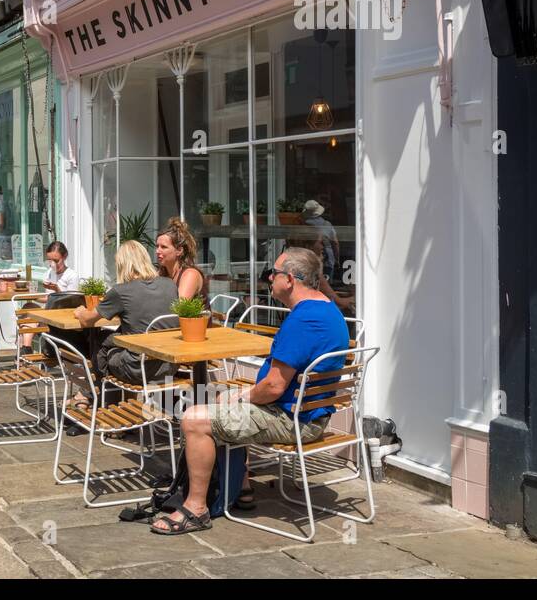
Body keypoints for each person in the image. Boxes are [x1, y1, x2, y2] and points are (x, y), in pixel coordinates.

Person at [151, 248, 347, 535]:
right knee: (216, 398)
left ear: (290, 279)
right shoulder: (327, 309)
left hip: (291, 421)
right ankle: (240, 487)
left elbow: (273, 387)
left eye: (274, 273)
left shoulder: (304, 321)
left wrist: (243, 396)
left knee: (194, 419)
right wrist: (240, 397)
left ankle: (196, 508)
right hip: (304, 414)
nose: (269, 278)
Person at [76, 240, 180, 384]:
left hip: (137, 369)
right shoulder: (170, 284)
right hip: (169, 366)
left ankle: (99, 391)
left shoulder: (121, 291)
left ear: (122, 264)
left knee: (99, 340)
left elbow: (87, 320)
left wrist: (80, 311)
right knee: (113, 338)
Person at [155, 216, 206, 301]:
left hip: (192, 315)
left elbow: (179, 307)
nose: (157, 251)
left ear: (179, 251)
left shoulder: (190, 274)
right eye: (157, 246)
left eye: (163, 247)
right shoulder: (161, 273)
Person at [303, 199, 339, 283]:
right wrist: (337, 258)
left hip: (307, 257)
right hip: (327, 257)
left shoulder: (303, 224)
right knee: (327, 283)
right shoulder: (327, 224)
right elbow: (335, 243)